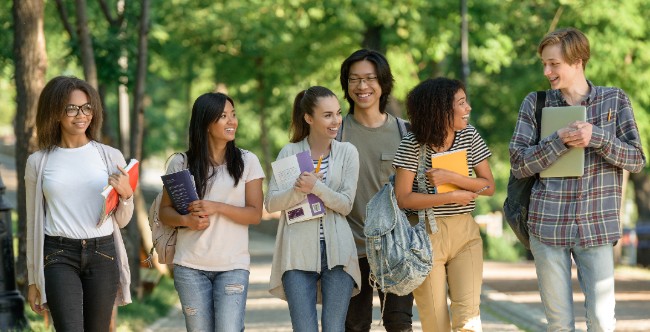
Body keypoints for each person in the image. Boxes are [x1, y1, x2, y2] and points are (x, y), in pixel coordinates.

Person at [509, 27, 646, 331]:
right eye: (544, 63)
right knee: (559, 325)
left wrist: (597, 137)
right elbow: (518, 163)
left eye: (554, 63)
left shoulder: (614, 101)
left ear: (577, 61)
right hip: (547, 227)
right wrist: (557, 141)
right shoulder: (535, 103)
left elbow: (636, 160)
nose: (547, 71)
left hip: (596, 226)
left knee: (601, 321)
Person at [25, 76, 134, 331]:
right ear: (55, 112)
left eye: (86, 107)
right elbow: (32, 223)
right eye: (71, 108)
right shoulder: (38, 162)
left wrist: (126, 195)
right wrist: (33, 280)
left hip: (102, 253)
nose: (81, 115)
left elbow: (121, 220)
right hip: (58, 254)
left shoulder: (110, 156)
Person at [393, 77, 495, 331]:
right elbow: (403, 198)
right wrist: (450, 196)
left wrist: (454, 179)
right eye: (461, 103)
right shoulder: (411, 144)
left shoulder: (469, 136)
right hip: (425, 237)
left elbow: (488, 186)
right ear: (439, 110)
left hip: (465, 235)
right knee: (435, 321)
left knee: (469, 318)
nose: (468, 108)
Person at [158, 92, 265, 332]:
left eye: (233, 115)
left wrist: (216, 207)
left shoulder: (248, 162)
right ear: (206, 123)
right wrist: (186, 220)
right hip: (190, 267)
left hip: (233, 266)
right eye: (223, 116)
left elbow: (255, 214)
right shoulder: (181, 163)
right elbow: (164, 212)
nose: (232, 122)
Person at [266, 86, 361, 332]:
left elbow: (346, 205)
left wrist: (317, 187)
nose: (336, 120)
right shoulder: (290, 152)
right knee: (304, 328)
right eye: (327, 115)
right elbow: (271, 203)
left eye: (338, 113)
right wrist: (299, 189)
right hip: (297, 252)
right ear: (309, 118)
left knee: (333, 327)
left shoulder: (348, 153)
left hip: (338, 252)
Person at [337, 48, 415, 332]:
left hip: (395, 250)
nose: (362, 86)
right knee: (354, 326)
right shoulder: (336, 133)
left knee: (399, 324)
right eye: (354, 79)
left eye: (370, 79)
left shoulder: (406, 133)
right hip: (348, 250)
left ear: (383, 83)